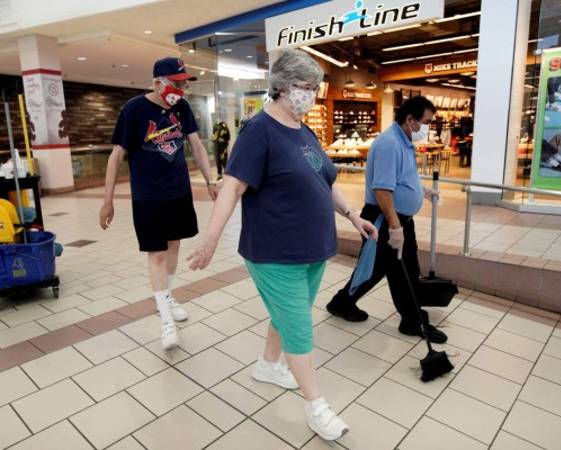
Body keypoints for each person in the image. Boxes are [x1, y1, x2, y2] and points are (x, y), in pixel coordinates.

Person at [187, 49, 377, 442]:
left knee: (288, 313)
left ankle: (268, 365)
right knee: (299, 328)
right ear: (282, 88)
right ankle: (317, 406)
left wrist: (353, 215)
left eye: (314, 89)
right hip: (275, 253)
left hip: (311, 250)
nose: (309, 96)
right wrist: (210, 240)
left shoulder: (303, 129)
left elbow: (324, 182)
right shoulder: (258, 132)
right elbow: (233, 187)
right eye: (303, 88)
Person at [99, 57, 218, 350]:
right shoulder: (134, 110)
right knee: (156, 255)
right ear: (157, 83)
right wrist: (107, 201)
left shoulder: (182, 108)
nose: (181, 90)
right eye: (176, 84)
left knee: (174, 245)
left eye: (183, 84)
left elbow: (197, 145)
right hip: (148, 197)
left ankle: (167, 296)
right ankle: (165, 319)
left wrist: (210, 180)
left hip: (178, 192)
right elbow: (116, 156)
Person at [326, 96, 448, 344]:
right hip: (385, 219)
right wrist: (395, 227)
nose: (427, 128)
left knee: (399, 269)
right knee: (380, 268)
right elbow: (382, 190)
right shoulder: (390, 144)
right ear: (410, 119)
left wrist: (424, 192)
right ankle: (407, 319)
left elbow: (404, 177)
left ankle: (406, 317)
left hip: (396, 219)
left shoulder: (404, 141)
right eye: (425, 122)